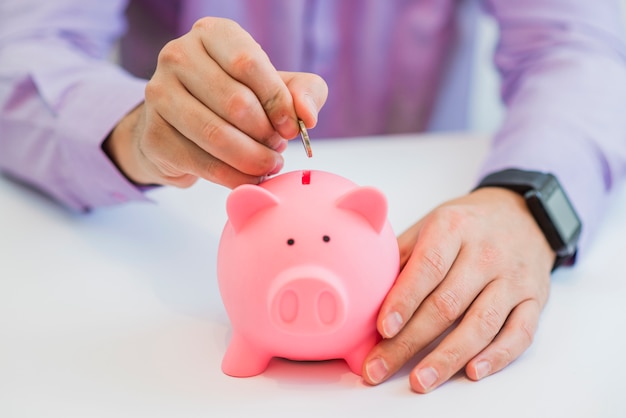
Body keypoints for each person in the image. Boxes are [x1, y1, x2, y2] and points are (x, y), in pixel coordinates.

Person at [1, 0, 626, 394]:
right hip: (188, 182)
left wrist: (530, 197)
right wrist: (134, 129)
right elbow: (18, 51)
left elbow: (582, 46)